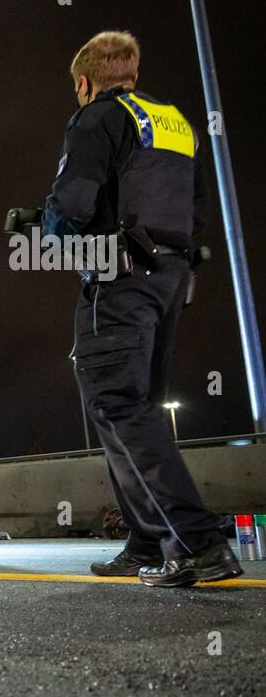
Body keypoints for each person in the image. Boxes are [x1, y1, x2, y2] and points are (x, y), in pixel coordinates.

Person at [42, 31, 240, 587]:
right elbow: (196, 211)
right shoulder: (177, 123)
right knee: (132, 405)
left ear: (85, 82)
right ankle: (148, 540)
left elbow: (75, 201)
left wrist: (47, 227)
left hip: (119, 274)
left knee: (115, 400)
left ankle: (201, 544)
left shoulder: (97, 117)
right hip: (171, 276)